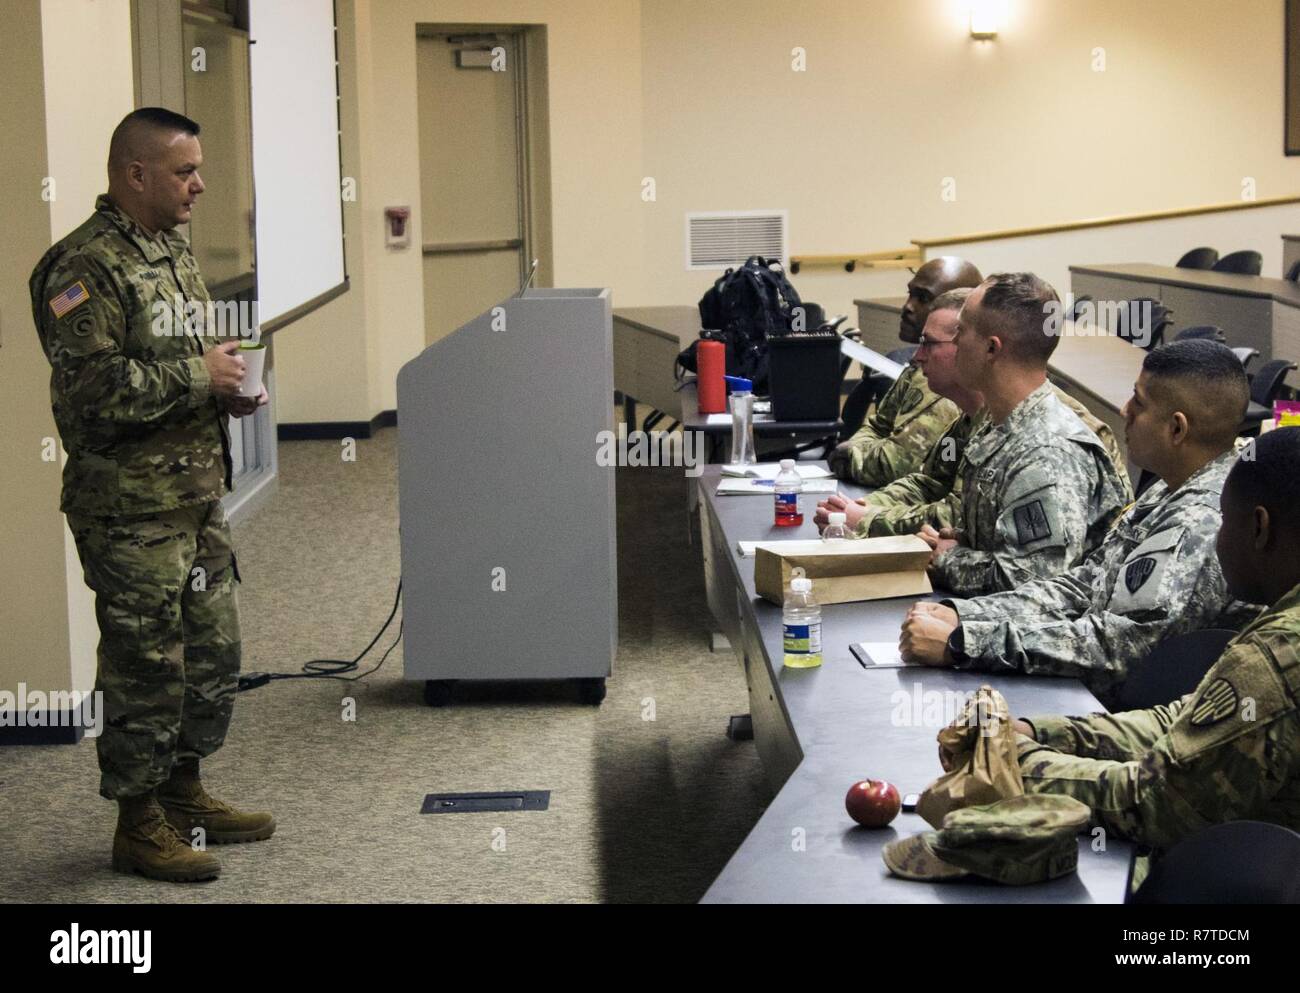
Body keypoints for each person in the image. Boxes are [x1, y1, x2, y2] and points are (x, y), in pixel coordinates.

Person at [29, 108, 273, 882]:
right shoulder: (80, 269)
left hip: (195, 496)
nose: (200, 185)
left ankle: (184, 791)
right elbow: (95, 393)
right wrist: (201, 375)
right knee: (145, 665)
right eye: (185, 171)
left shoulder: (169, 249)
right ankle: (137, 823)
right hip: (129, 510)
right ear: (135, 175)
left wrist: (225, 389)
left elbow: (178, 363)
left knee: (210, 654)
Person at [898, 340, 1261, 708]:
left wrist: (967, 643)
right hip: (1089, 692)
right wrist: (969, 614)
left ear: (1177, 429)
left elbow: (1118, 649)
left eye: (1139, 402)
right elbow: (1088, 583)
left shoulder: (1199, 519)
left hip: (1124, 719)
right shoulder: (1173, 485)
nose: (1125, 410)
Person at [1010, 427, 1300, 852]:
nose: (1217, 538)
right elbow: (1190, 723)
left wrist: (1020, 764)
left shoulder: (1277, 657)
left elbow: (1159, 804)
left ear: (1259, 527)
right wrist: (1047, 732)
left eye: (1224, 521)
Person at [815, 289, 1129, 538]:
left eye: (958, 337)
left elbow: (962, 518)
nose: (917, 356)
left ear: (991, 349)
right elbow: (931, 482)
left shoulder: (1049, 436)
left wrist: (871, 519)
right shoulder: (981, 415)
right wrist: (866, 506)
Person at [919, 273, 1128, 596]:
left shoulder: (1047, 452)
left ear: (991, 348)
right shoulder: (999, 424)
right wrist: (958, 541)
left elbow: (1033, 583)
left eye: (962, 331)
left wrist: (949, 558)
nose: (955, 342)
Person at [827, 257, 982, 485]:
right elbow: (878, 426)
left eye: (923, 298)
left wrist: (845, 454)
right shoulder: (918, 364)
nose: (908, 306)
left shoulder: (947, 380)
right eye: (910, 294)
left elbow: (894, 464)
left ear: (961, 309)